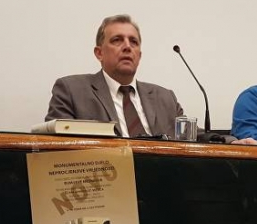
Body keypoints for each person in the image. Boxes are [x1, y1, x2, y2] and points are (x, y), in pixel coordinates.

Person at [45, 14, 183, 138]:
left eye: (133, 42)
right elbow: (57, 147)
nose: (127, 47)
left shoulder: (166, 99)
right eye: (117, 40)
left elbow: (190, 141)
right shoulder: (72, 91)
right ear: (99, 53)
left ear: (139, 56)